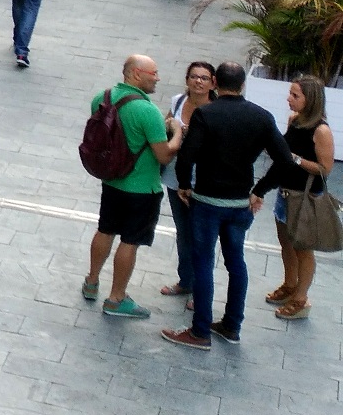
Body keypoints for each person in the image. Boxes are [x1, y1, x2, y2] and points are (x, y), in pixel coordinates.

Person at [161, 60, 291, 348]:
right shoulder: (262, 116)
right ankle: (232, 325)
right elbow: (284, 160)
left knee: (204, 263)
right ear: (243, 84)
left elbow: (187, 155)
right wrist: (259, 190)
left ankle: (200, 331)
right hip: (240, 203)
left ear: (216, 82)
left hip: (206, 201)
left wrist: (184, 185)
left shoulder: (206, 114)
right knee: (236, 263)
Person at [82, 54, 181, 320]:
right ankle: (116, 299)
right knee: (130, 241)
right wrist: (178, 132)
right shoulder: (147, 111)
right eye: (154, 73)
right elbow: (163, 155)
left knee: (105, 229)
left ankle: (91, 282)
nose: (158, 78)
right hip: (142, 188)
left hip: (112, 181)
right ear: (136, 74)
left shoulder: (101, 97)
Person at [263, 74, 335, 323]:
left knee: (303, 249)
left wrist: (294, 158)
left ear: (310, 99)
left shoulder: (321, 130)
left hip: (305, 197)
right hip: (285, 193)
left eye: (295, 95)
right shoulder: (295, 120)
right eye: (290, 94)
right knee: (286, 243)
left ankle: (301, 298)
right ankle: (289, 284)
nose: (289, 99)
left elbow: (325, 169)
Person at [161, 63, 216, 300]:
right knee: (183, 232)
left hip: (203, 181)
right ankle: (186, 281)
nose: (198, 82)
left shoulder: (216, 109)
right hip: (176, 177)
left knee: (202, 236)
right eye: (194, 77)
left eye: (204, 78)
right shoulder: (178, 101)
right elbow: (164, 124)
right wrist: (173, 127)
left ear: (213, 83)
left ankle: (201, 291)